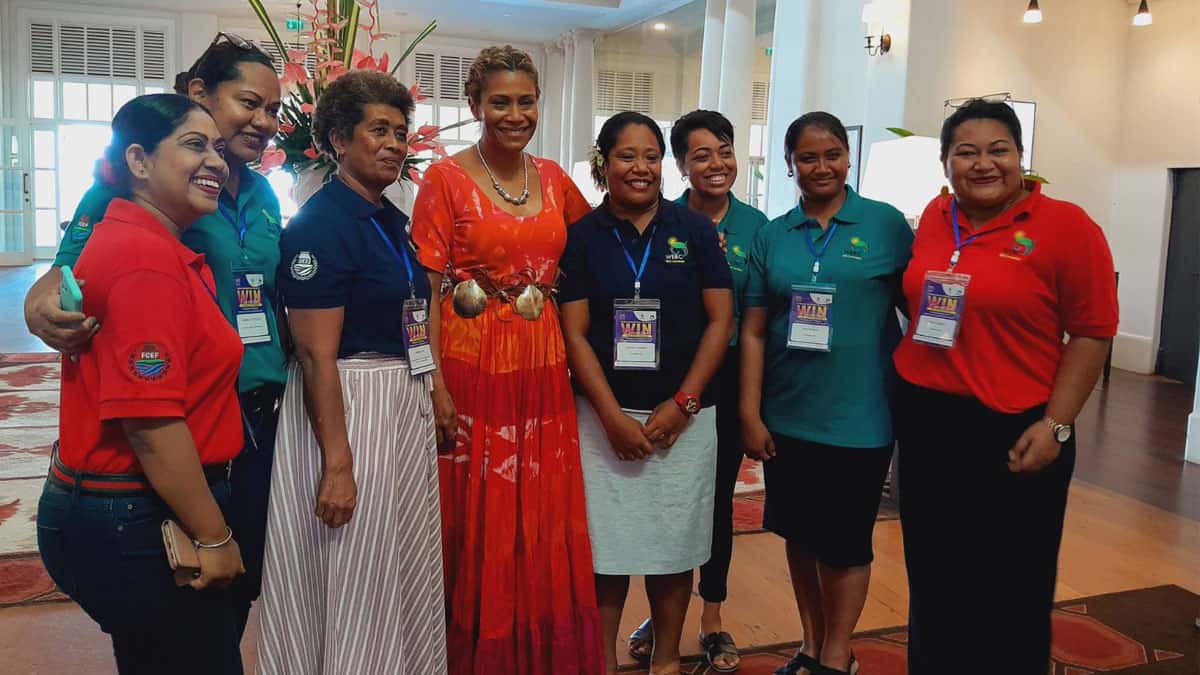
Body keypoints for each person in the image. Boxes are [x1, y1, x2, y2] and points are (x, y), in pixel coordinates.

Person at [23, 33, 284, 638]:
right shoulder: (133, 185)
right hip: (179, 417)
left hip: (256, 413)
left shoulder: (263, 192)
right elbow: (70, 269)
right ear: (199, 93)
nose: (264, 122)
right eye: (249, 103)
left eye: (273, 110)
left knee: (240, 576)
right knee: (189, 589)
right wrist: (38, 306)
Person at [892, 99, 1118, 673]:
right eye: (966, 152)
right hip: (928, 422)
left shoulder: (1067, 227)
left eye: (999, 150)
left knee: (1014, 585)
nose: (983, 164)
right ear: (946, 162)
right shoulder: (937, 215)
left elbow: (1092, 333)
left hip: (1019, 428)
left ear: (1021, 156)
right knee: (935, 577)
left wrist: (1057, 425)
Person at [408, 45, 604, 673]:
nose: (515, 115)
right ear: (475, 105)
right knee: (477, 508)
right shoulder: (444, 179)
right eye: (500, 102)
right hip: (470, 360)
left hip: (542, 358)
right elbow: (423, 292)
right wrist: (433, 383)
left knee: (540, 504)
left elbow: (600, 243)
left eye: (526, 101)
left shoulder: (554, 177)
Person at [36, 94, 245, 674]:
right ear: (138, 160)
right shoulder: (143, 259)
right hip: (137, 513)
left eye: (218, 148)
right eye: (194, 145)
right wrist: (214, 537)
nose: (215, 161)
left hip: (124, 507)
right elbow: (151, 423)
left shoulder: (150, 244)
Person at [254, 70, 446, 674]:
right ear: (338, 140)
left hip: (398, 401)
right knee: (355, 562)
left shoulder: (386, 216)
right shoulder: (321, 226)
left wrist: (434, 389)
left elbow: (413, 313)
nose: (394, 144)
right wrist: (337, 466)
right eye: (378, 131)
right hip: (351, 405)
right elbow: (316, 356)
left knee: (397, 558)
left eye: (401, 132)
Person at [559, 111, 735, 675]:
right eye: (626, 156)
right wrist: (610, 417)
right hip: (600, 421)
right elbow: (574, 333)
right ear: (604, 164)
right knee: (605, 552)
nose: (640, 168)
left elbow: (721, 321)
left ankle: (666, 660)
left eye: (651, 157)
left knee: (674, 549)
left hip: (685, 422)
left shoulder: (695, 230)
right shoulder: (582, 237)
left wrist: (684, 404)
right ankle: (600, 662)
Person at [739, 112, 912, 675]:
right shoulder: (774, 234)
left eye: (832, 154)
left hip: (861, 416)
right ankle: (810, 644)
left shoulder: (885, 225)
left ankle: (837, 653)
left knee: (845, 542)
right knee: (800, 535)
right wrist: (750, 412)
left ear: (848, 157)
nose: (822, 167)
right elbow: (754, 330)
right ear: (789, 163)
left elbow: (922, 310)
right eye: (808, 157)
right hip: (788, 414)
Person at [626, 109, 768, 673]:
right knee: (665, 499)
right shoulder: (662, 219)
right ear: (681, 166)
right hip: (670, 376)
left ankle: (711, 616)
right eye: (701, 155)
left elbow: (756, 321)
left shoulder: (759, 227)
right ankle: (661, 617)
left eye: (725, 150)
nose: (717, 164)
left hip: (728, 377)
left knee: (714, 502)